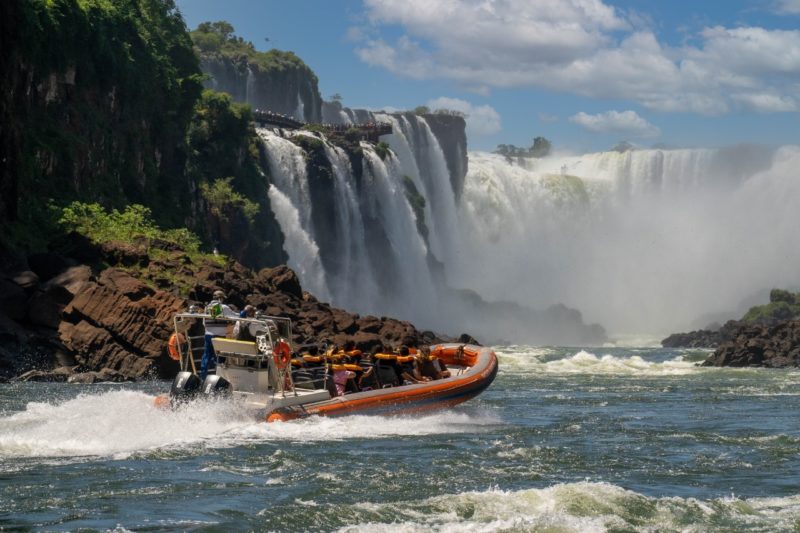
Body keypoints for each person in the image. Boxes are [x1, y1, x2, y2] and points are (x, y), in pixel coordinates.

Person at [200, 290, 237, 379]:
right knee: (220, 357)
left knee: (206, 356)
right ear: (220, 298)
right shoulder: (223, 307)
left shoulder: (207, 307)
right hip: (219, 336)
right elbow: (236, 316)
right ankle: (219, 378)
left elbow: (204, 323)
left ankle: (203, 377)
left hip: (208, 335)